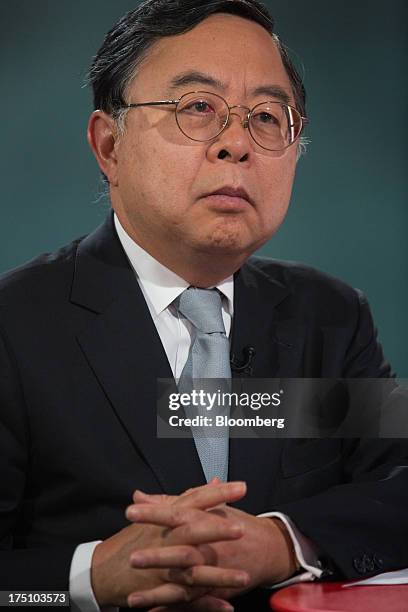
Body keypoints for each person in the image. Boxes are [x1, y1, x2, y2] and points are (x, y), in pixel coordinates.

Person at [0, 1, 407, 611]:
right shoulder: (15, 327)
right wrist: (90, 577)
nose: (236, 144)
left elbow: (398, 487)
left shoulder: (328, 315)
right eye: (198, 108)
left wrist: (280, 541)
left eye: (267, 117)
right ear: (109, 145)